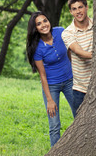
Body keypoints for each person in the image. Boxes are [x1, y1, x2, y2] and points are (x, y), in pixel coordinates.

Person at [26, 11, 75, 147]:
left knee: (81, 114)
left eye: (45, 21)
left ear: (49, 21)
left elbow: (70, 52)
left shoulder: (60, 32)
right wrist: (49, 100)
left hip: (70, 80)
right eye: (39, 24)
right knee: (54, 124)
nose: (43, 25)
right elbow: (42, 75)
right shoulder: (37, 48)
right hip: (51, 85)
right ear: (35, 28)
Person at [62, 0, 93, 115]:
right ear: (71, 12)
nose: (78, 11)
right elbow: (79, 52)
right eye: (74, 9)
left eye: (80, 7)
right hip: (80, 89)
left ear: (86, 7)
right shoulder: (67, 33)